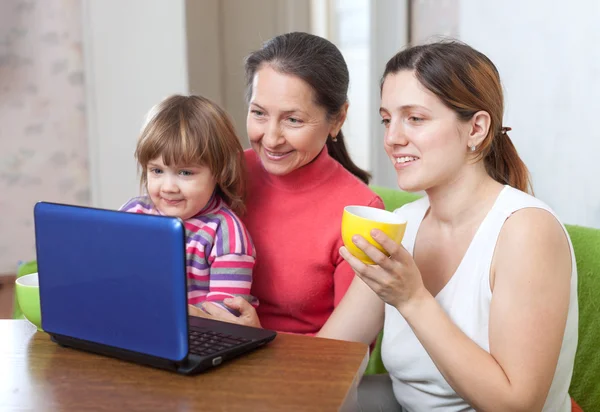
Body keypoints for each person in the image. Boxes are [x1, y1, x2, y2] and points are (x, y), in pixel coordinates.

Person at [317, 41, 579, 411]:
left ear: (476, 129)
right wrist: (256, 338)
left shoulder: (526, 231)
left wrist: (412, 299)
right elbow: (329, 354)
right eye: (387, 119)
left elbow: (517, 405)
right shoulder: (402, 223)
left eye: (415, 118)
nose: (392, 138)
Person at [190, 32, 384, 334]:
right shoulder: (221, 173)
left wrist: (258, 340)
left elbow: (346, 358)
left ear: (338, 119)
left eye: (293, 120)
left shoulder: (361, 213)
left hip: (295, 374)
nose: (271, 138)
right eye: (258, 113)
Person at [121, 94, 257, 314]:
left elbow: (225, 316)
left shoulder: (226, 235)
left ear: (220, 171)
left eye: (185, 172)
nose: (168, 187)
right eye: (157, 171)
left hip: (197, 337)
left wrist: (164, 309)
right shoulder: (134, 213)